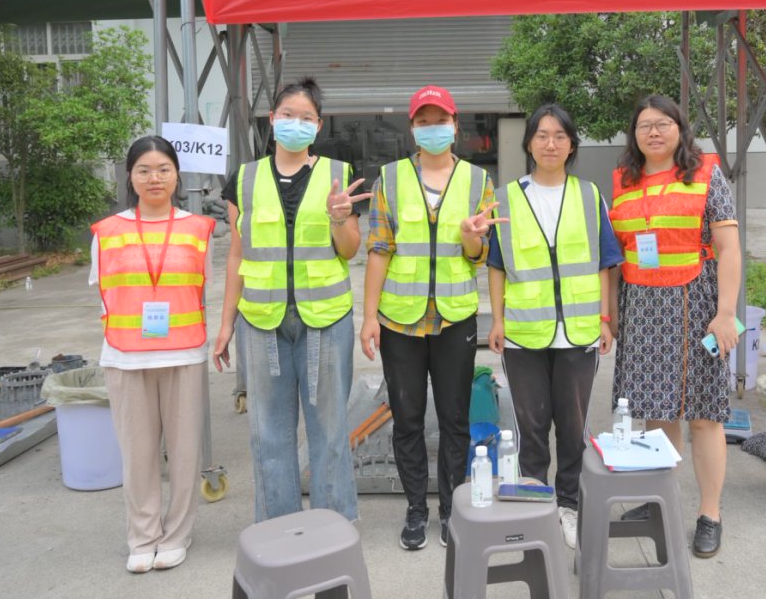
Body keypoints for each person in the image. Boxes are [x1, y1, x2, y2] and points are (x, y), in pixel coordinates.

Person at [212, 78, 368, 522]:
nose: (295, 123)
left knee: (329, 430)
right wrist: (225, 324)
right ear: (272, 119)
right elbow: (238, 254)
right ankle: (277, 528)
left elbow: (350, 249)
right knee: (268, 433)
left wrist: (339, 219)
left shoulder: (338, 175)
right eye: (287, 115)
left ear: (318, 126)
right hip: (262, 321)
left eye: (306, 117)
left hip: (325, 320)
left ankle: (333, 525)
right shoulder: (244, 179)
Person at [360, 85, 499, 551]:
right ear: (412, 128)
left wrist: (471, 237)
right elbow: (379, 249)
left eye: (441, 121)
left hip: (455, 318)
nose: (432, 128)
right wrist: (369, 316)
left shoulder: (478, 181)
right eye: (424, 121)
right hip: (400, 319)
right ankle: (416, 508)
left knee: (456, 419)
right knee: (408, 419)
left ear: (455, 126)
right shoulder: (390, 178)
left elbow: (479, 256)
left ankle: (450, 510)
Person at [607, 94, 742, 559]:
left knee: (703, 415)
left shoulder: (706, 174)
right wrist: (612, 314)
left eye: (663, 123)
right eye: (645, 125)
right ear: (634, 135)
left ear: (680, 129)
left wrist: (726, 313)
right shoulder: (623, 181)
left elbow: (729, 248)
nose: (654, 132)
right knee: (656, 413)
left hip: (697, 303)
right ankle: (659, 503)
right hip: (642, 308)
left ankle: (710, 514)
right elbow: (616, 256)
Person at [486, 103, 623, 549]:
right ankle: (534, 505)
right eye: (542, 135)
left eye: (560, 136)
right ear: (529, 143)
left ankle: (568, 504)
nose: (550, 144)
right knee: (530, 427)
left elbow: (604, 263)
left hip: (579, 331)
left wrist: (605, 319)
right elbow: (496, 265)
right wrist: (498, 320)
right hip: (524, 332)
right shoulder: (506, 197)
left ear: (571, 145)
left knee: (573, 425)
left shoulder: (589, 195)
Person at [90, 136, 215, 574]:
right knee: (138, 456)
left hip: (183, 355)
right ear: (130, 177)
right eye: (144, 170)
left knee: (184, 453)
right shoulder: (107, 231)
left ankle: (177, 535)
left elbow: (201, 288)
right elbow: (102, 295)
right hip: (126, 358)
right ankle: (143, 537)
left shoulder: (199, 228)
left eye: (163, 169)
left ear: (177, 174)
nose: (154, 178)